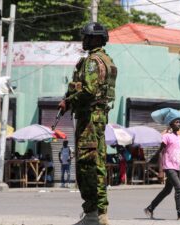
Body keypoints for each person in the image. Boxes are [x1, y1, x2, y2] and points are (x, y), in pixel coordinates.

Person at [58, 22, 117, 225]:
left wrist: (69, 101)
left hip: (90, 118)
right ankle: (100, 214)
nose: (84, 40)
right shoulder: (106, 59)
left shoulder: (93, 61)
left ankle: (93, 213)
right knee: (97, 164)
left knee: (86, 165)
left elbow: (89, 91)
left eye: (87, 37)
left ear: (97, 39)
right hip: (97, 117)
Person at [144, 109, 180, 221]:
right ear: (171, 123)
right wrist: (161, 170)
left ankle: (150, 208)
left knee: (167, 190)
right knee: (179, 188)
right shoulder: (166, 136)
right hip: (168, 167)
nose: (179, 124)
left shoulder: (178, 137)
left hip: (176, 167)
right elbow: (160, 152)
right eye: (176, 122)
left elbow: (179, 154)